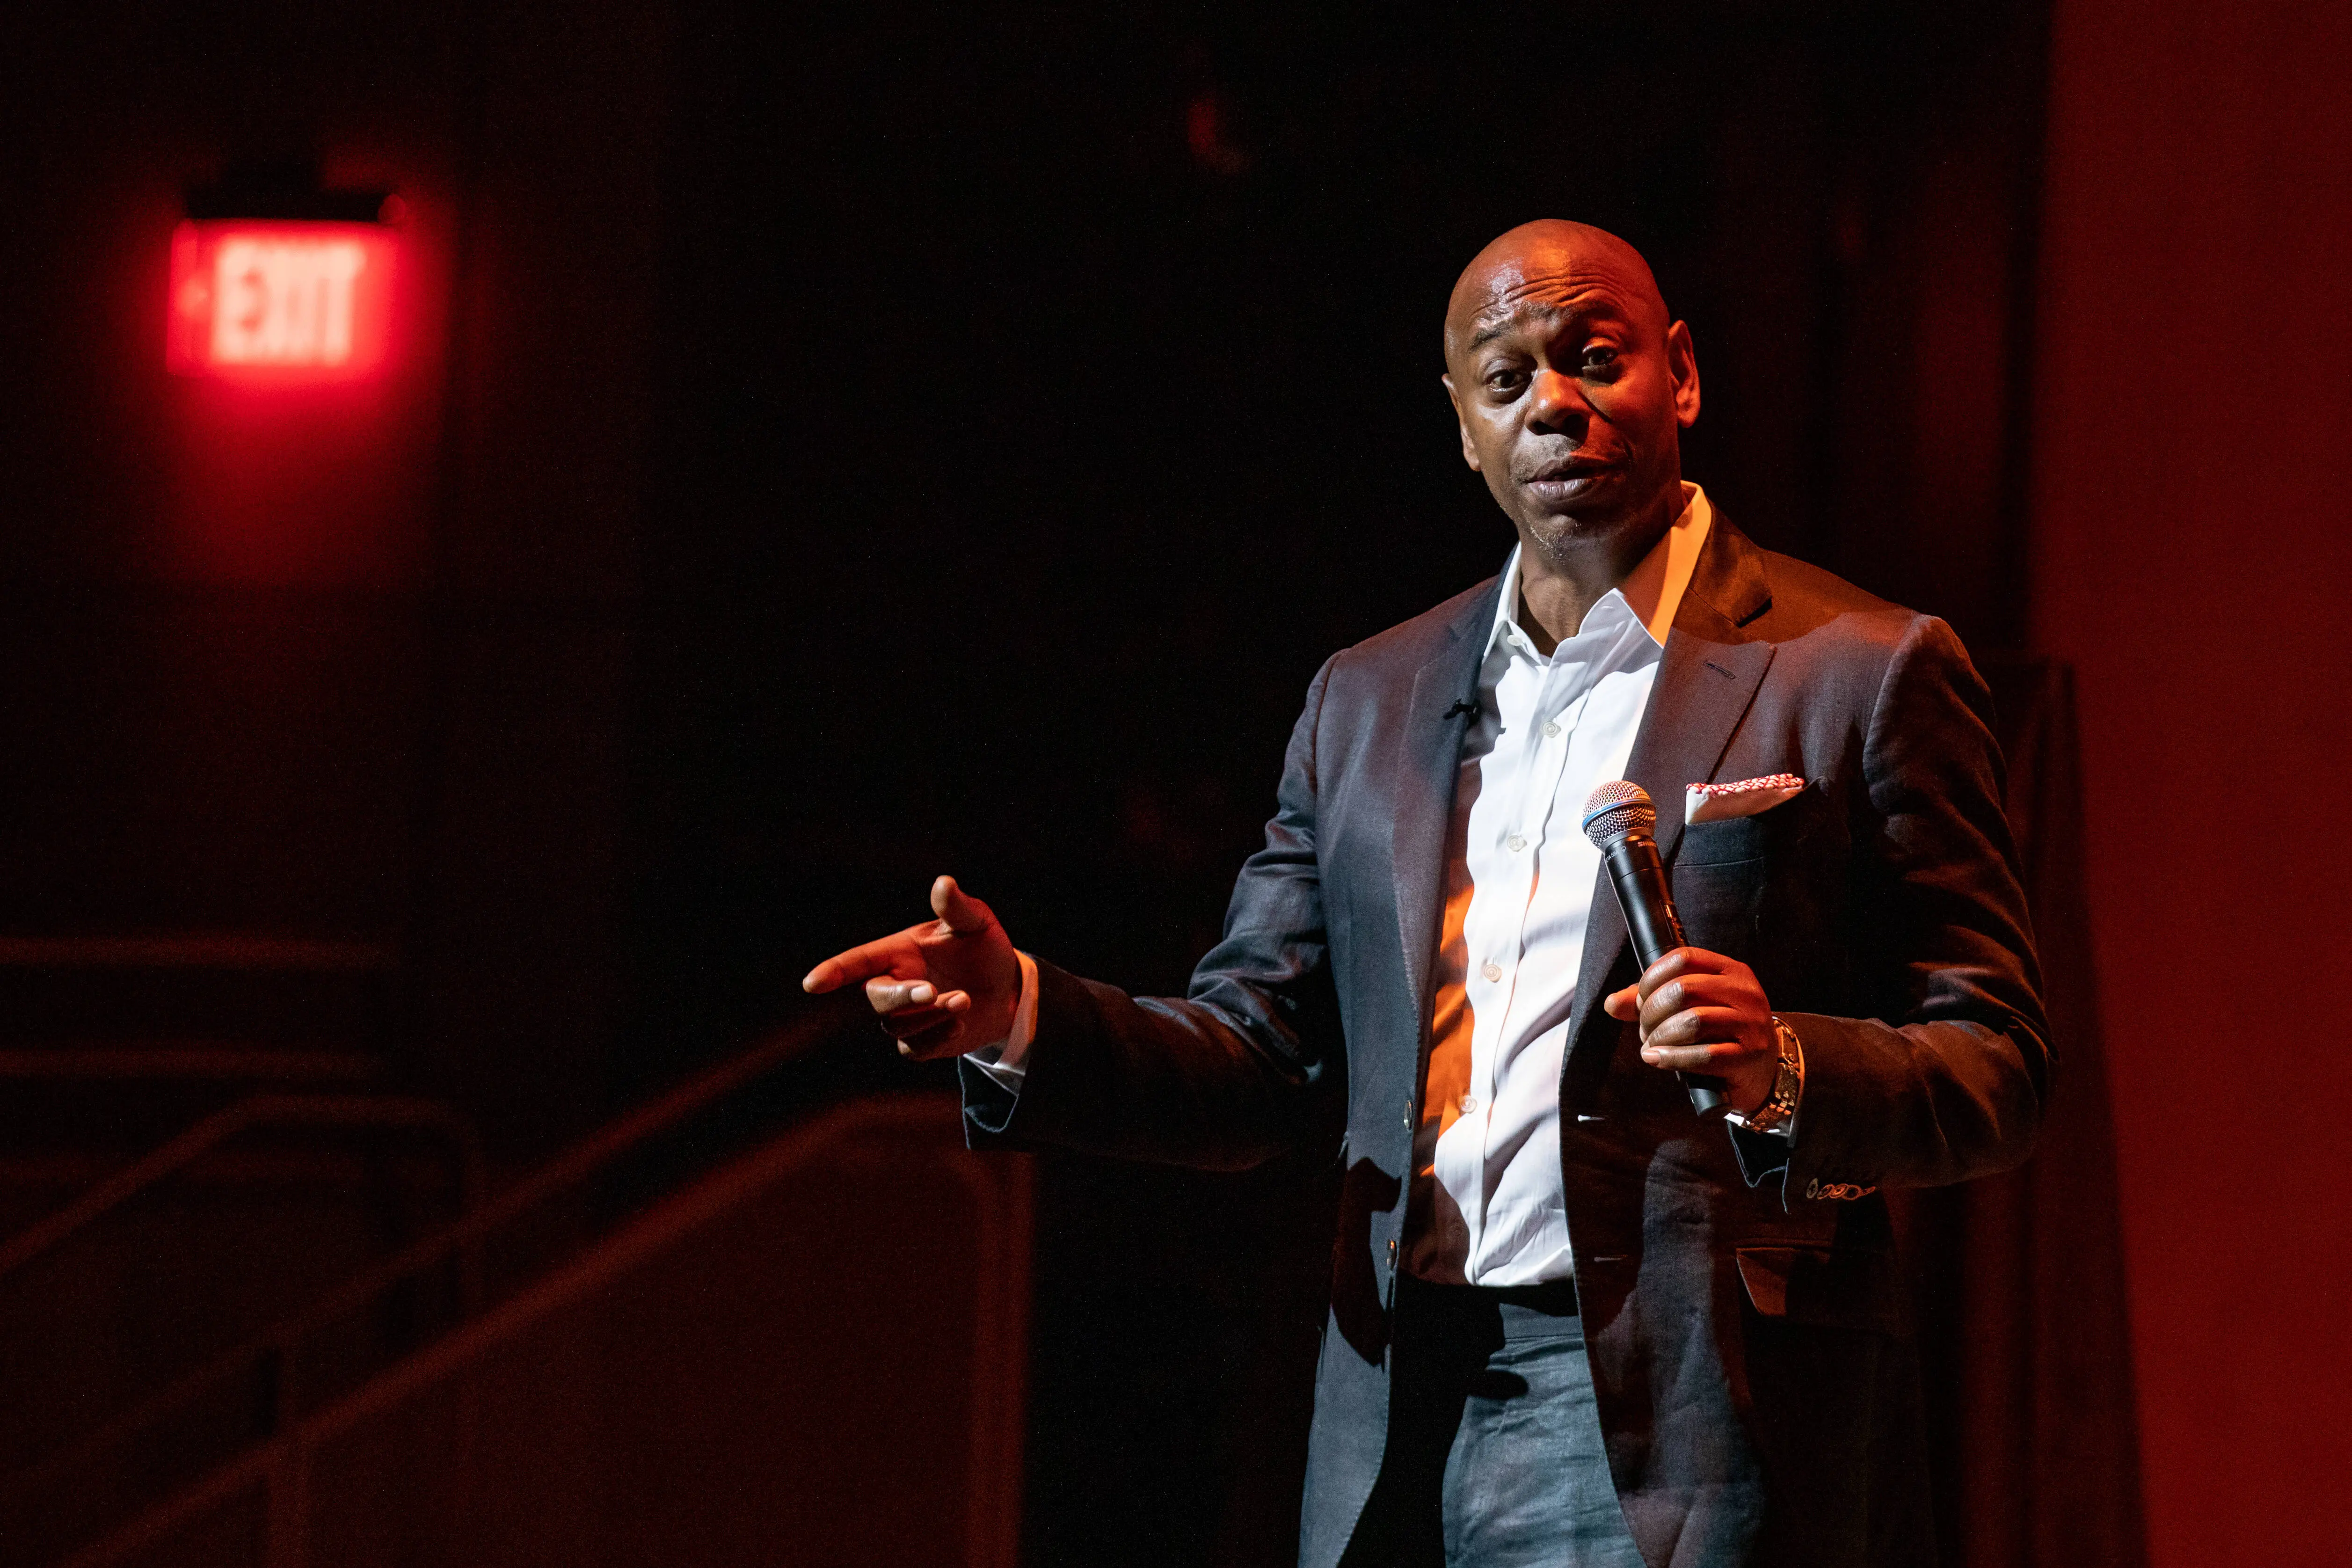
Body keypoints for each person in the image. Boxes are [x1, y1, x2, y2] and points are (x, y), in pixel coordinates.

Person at [803, 220, 2048, 1568]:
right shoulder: (1367, 698)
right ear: (1464, 430)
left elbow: (2000, 1061)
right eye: (1506, 381)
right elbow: (1256, 1058)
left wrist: (1787, 1067)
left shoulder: (1858, 670)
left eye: (1594, 356)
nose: (1553, 402)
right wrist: (1019, 1014)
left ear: (1679, 374)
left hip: (1691, 1419)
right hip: (1400, 1408)